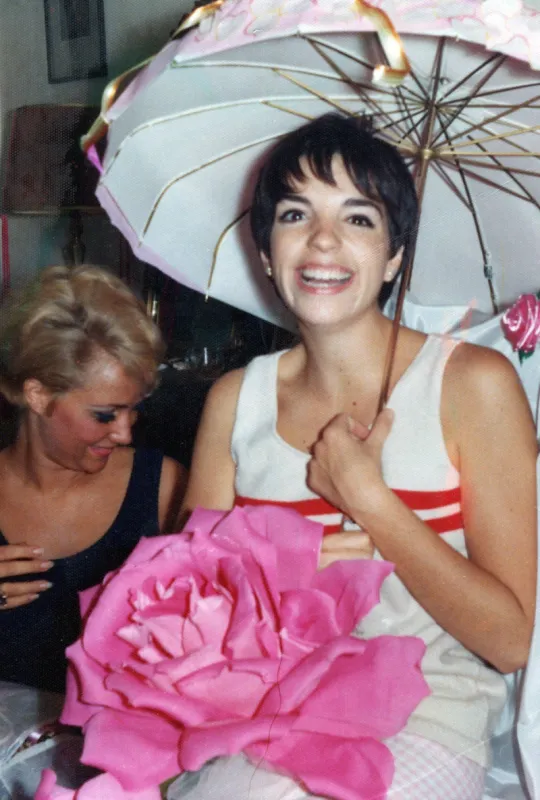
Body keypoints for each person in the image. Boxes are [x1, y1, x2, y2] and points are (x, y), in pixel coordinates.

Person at [181, 114, 538, 798]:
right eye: (295, 214)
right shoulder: (235, 401)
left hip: (424, 720)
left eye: (359, 219)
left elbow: (509, 640)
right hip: (263, 716)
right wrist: (286, 569)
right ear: (265, 250)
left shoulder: (472, 386)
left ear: (396, 256)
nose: (323, 241)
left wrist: (371, 501)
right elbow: (189, 603)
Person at [0, 265, 186, 693]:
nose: (124, 433)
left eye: (133, 409)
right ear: (38, 395)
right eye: (105, 414)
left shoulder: (164, 488)